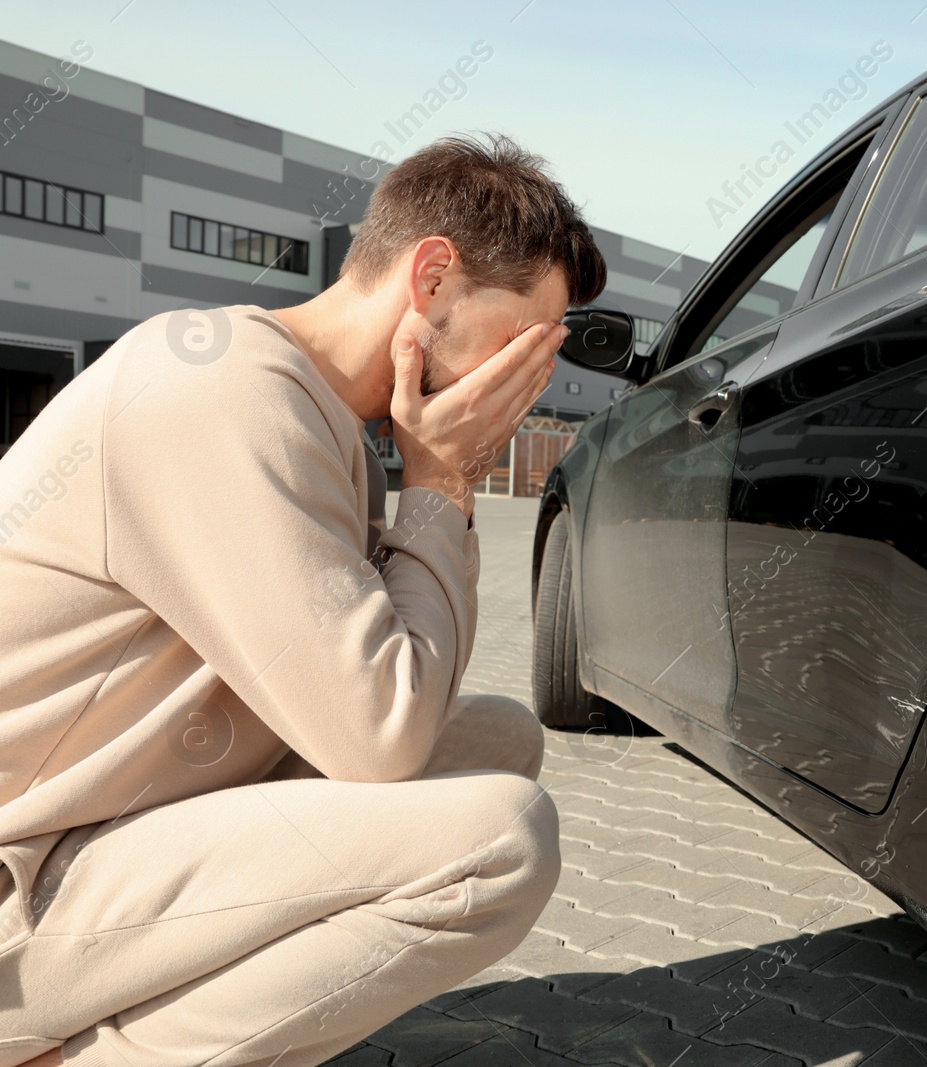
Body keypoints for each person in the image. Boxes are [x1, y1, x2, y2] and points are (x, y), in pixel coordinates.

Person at [0, 133, 605, 1067]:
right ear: (433, 278)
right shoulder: (219, 388)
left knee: (497, 742)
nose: (530, 376)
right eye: (523, 337)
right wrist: (440, 484)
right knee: (501, 841)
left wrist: (432, 483)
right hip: (25, 882)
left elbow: (418, 692)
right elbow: (381, 733)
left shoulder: (335, 429)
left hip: (112, 830)